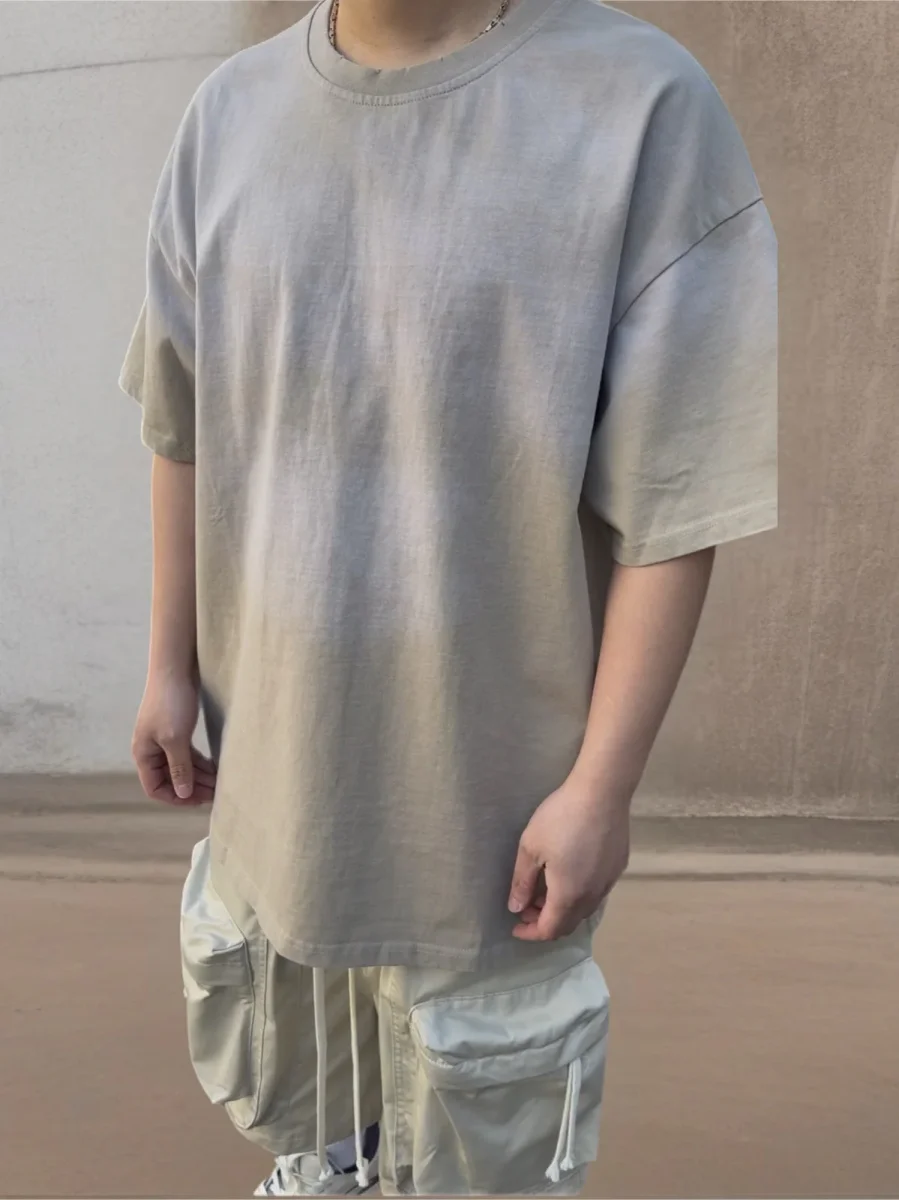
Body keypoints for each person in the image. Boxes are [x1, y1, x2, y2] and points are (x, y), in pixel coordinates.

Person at [121, 0, 777, 1194]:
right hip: (275, 751)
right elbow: (183, 415)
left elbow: (676, 497)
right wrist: (169, 661)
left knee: (478, 1119)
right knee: (302, 1069)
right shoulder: (231, 115)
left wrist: (600, 788)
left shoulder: (638, 109)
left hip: (487, 794)